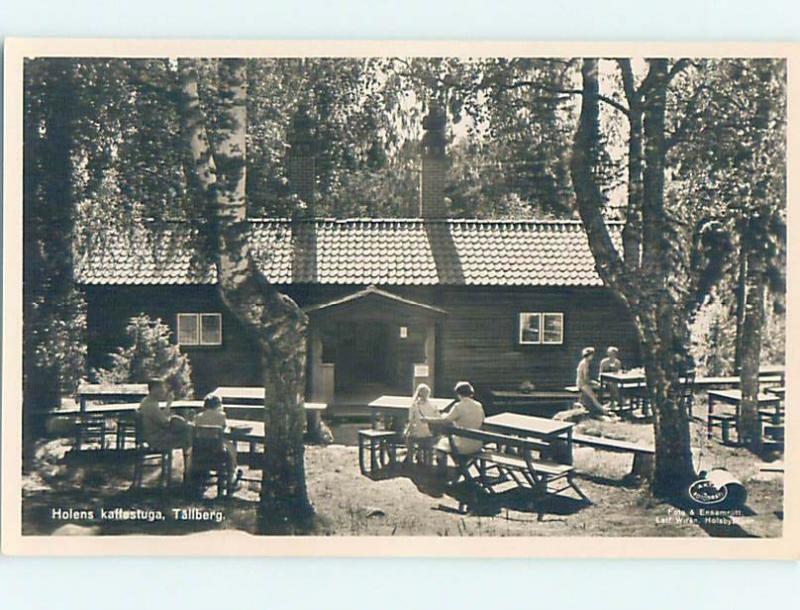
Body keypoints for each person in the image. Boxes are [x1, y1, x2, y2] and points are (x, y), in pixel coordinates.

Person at [138, 377, 193, 479]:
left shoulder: (148, 401)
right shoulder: (151, 405)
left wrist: (169, 405)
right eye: (161, 389)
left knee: (186, 429)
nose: (163, 391)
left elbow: (163, 419)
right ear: (154, 389)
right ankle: (189, 472)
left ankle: (188, 470)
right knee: (188, 436)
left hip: (154, 435)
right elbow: (165, 423)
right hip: (157, 439)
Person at [425, 381, 485, 458]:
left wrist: (427, 419)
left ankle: (444, 469)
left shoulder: (458, 406)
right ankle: (461, 465)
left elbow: (445, 421)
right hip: (477, 444)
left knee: (439, 445)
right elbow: (482, 419)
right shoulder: (478, 405)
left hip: (463, 446)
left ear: (458, 394)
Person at [194, 393, 239, 485]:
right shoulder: (221, 415)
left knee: (228, 446)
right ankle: (231, 473)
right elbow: (224, 428)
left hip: (200, 450)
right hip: (217, 450)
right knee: (231, 448)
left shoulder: (198, 417)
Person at [404, 383, 440, 465]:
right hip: (430, 433)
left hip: (418, 433)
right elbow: (438, 418)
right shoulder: (433, 405)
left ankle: (410, 457)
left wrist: (407, 432)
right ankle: (421, 455)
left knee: (409, 436)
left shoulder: (413, 405)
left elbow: (411, 421)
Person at [576, 347, 611, 417]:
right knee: (593, 396)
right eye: (592, 355)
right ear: (589, 355)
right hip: (582, 383)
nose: (593, 357)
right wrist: (593, 383)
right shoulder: (584, 363)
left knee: (600, 386)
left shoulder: (585, 362)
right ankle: (603, 410)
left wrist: (594, 382)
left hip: (584, 382)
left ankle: (596, 406)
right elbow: (585, 378)